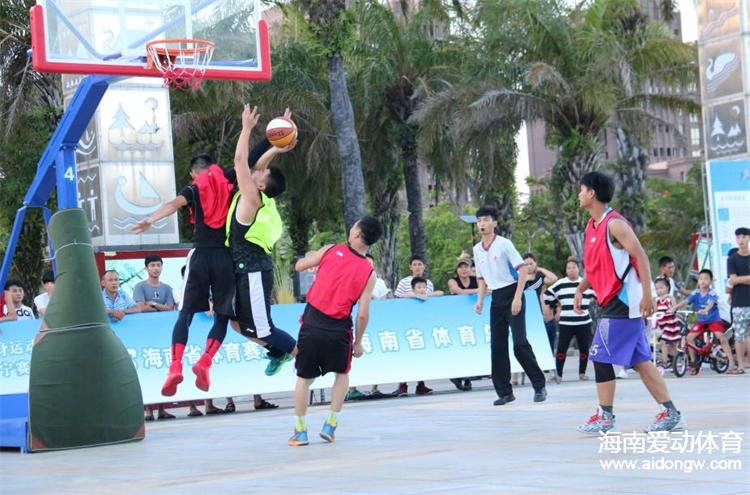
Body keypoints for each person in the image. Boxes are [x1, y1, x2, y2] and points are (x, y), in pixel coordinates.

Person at [573, 171, 684, 434]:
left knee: (599, 355)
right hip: (611, 300)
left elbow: (641, 257)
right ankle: (671, 414)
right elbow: (597, 268)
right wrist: (580, 289)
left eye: (581, 190)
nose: (578, 195)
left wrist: (647, 295)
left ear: (592, 193)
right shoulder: (592, 226)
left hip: (624, 301)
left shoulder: (615, 224)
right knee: (641, 361)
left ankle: (606, 416)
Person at [288, 215, 381, 446]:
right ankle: (330, 425)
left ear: (357, 234)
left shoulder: (331, 249)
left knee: (303, 378)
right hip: (339, 329)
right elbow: (362, 314)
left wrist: (313, 256)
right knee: (342, 373)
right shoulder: (369, 273)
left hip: (312, 323)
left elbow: (299, 266)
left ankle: (300, 431)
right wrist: (358, 342)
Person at [226, 103, 298, 376]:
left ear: (260, 185)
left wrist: (246, 129)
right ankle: (278, 352)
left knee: (264, 329)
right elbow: (257, 168)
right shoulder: (258, 193)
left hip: (253, 272)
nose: (257, 169)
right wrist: (277, 148)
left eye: (260, 173)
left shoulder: (252, 198)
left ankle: (307, 361)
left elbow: (240, 162)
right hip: (243, 270)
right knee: (237, 325)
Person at [473, 205, 547, 406]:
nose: (482, 224)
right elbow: (481, 278)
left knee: (519, 343)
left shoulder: (504, 244)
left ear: (494, 223)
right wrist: (480, 300)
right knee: (497, 346)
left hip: (513, 292)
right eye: (479, 221)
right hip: (496, 298)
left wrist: (517, 298)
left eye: (486, 220)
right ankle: (505, 392)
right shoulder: (477, 249)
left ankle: (539, 385)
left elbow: (522, 271)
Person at [392, 255, 442, 396]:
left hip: (422, 321)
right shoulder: (404, 282)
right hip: (406, 321)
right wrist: (416, 295)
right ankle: (402, 385)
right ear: (410, 266)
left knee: (421, 352)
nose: (417, 267)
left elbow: (431, 297)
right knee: (405, 353)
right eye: (415, 264)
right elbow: (398, 297)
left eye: (420, 264)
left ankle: (421, 384)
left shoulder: (428, 283)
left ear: (424, 266)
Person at [673, 269, 735, 375]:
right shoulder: (696, 293)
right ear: (698, 281)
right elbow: (686, 301)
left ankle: (731, 362)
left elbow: (711, 303)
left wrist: (705, 310)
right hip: (701, 321)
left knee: (720, 337)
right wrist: (675, 307)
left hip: (713, 320)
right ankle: (694, 362)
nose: (703, 281)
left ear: (710, 281)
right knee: (688, 338)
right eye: (700, 279)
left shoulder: (712, 293)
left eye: (706, 279)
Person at [545, 258, 595, 382]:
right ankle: (559, 374)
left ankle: (582, 373)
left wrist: (587, 301)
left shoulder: (585, 282)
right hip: (566, 322)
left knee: (584, 349)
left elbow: (597, 294)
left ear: (578, 269)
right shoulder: (561, 283)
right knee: (561, 348)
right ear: (566, 270)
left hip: (584, 322)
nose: (571, 270)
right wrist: (557, 306)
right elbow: (547, 295)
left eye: (574, 267)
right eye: (569, 268)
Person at [519, 253, 558, 385]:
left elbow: (553, 278)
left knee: (543, 343)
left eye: (531, 263)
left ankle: (548, 370)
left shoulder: (539, 279)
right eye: (526, 264)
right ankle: (518, 375)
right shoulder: (519, 278)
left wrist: (540, 269)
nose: (529, 266)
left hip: (537, 315)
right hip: (523, 315)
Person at [727, 227, 749, 373]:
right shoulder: (732, 259)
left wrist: (741, 279)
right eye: (738, 237)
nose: (741, 240)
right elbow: (733, 280)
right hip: (739, 302)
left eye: (744, 237)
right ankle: (740, 365)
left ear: (748, 239)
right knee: (739, 336)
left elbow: (737, 279)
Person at [652, 277, 681, 368]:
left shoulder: (670, 298)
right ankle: (674, 360)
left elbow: (675, 308)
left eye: (661, 288)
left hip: (671, 325)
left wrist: (672, 310)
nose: (659, 290)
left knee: (665, 343)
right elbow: (655, 311)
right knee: (669, 344)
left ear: (667, 287)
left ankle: (666, 361)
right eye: (657, 288)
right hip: (662, 326)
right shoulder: (656, 300)